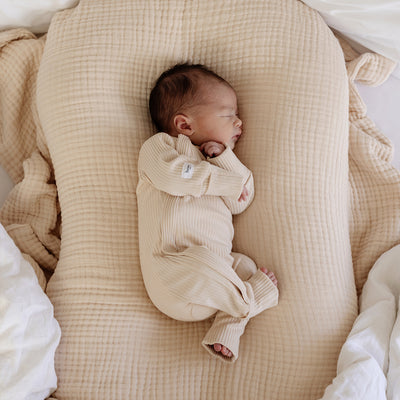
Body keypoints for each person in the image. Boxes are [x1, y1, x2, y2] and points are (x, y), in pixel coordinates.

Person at [136, 63, 279, 362]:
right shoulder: (160, 148)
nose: (239, 122)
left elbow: (241, 199)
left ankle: (226, 329)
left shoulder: (221, 164)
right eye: (228, 114)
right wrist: (220, 178)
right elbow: (174, 177)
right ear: (185, 125)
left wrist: (225, 159)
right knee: (205, 263)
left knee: (246, 268)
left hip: (216, 278)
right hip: (174, 273)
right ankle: (247, 303)